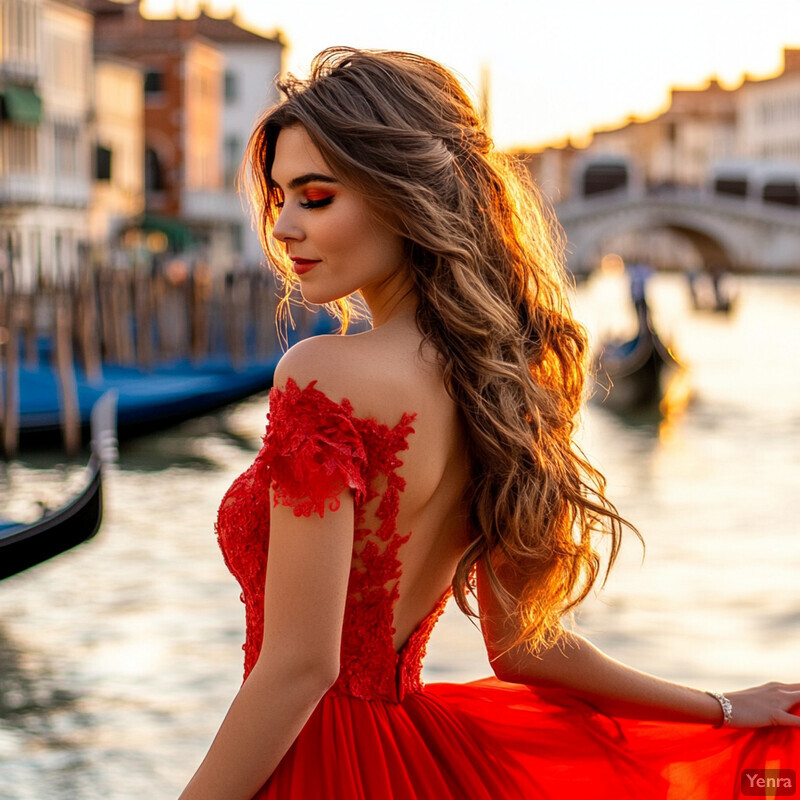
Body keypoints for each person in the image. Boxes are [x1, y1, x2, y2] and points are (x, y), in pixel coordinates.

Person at [179, 48, 800, 800]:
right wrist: (724, 708)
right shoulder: (496, 386)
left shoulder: (322, 376)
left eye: (314, 197)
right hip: (411, 765)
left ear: (400, 194)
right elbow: (527, 650)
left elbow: (301, 667)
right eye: (278, 199)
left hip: (315, 766)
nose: (282, 228)